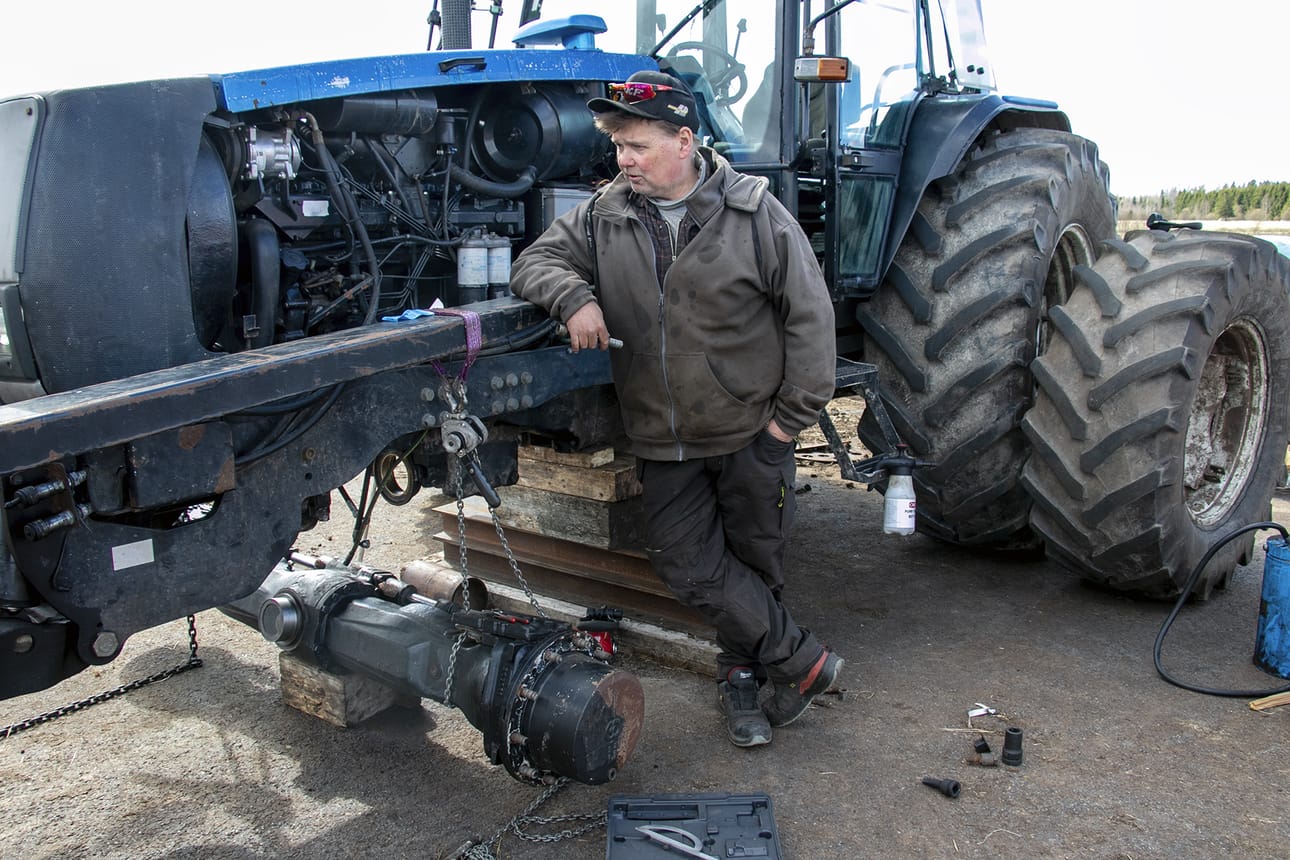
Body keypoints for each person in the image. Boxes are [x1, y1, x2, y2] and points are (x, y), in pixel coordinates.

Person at [509, 70, 841, 748]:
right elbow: (533, 262)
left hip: (751, 432)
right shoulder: (604, 213)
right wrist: (575, 298)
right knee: (687, 564)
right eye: (618, 146)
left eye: (637, 146)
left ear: (684, 142)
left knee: (755, 563)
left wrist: (786, 424)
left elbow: (811, 321)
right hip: (662, 437)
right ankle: (805, 663)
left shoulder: (756, 214)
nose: (623, 160)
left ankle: (743, 683)